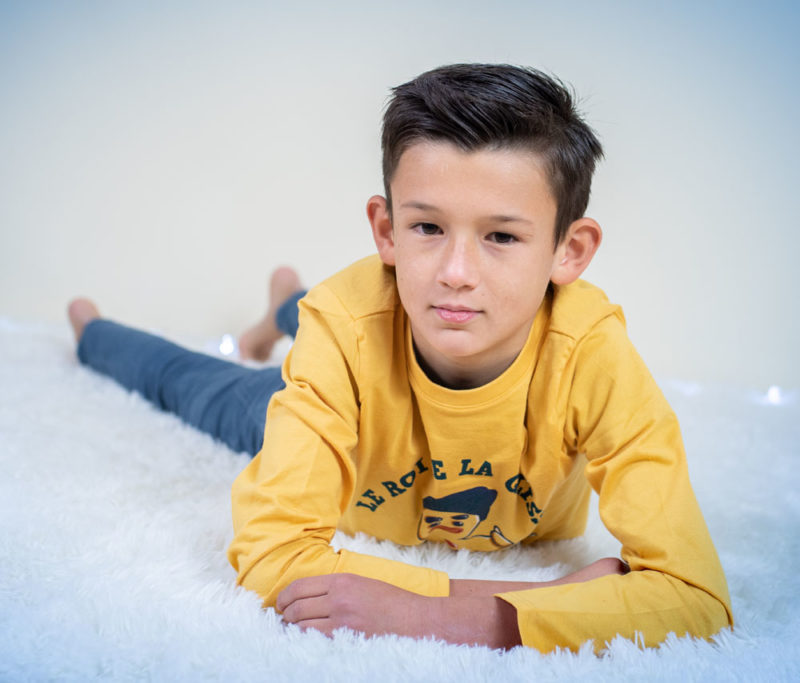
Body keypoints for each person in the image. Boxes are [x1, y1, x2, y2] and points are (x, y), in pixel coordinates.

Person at [68, 63, 733, 652]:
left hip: (372, 332)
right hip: (338, 389)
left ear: (570, 251)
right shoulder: (343, 324)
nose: (455, 272)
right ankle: (94, 324)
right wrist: (546, 599)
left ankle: (280, 302)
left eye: (501, 235)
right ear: (386, 231)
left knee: (337, 305)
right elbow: (272, 549)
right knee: (191, 381)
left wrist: (451, 615)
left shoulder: (590, 349)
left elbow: (696, 594)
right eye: (427, 228)